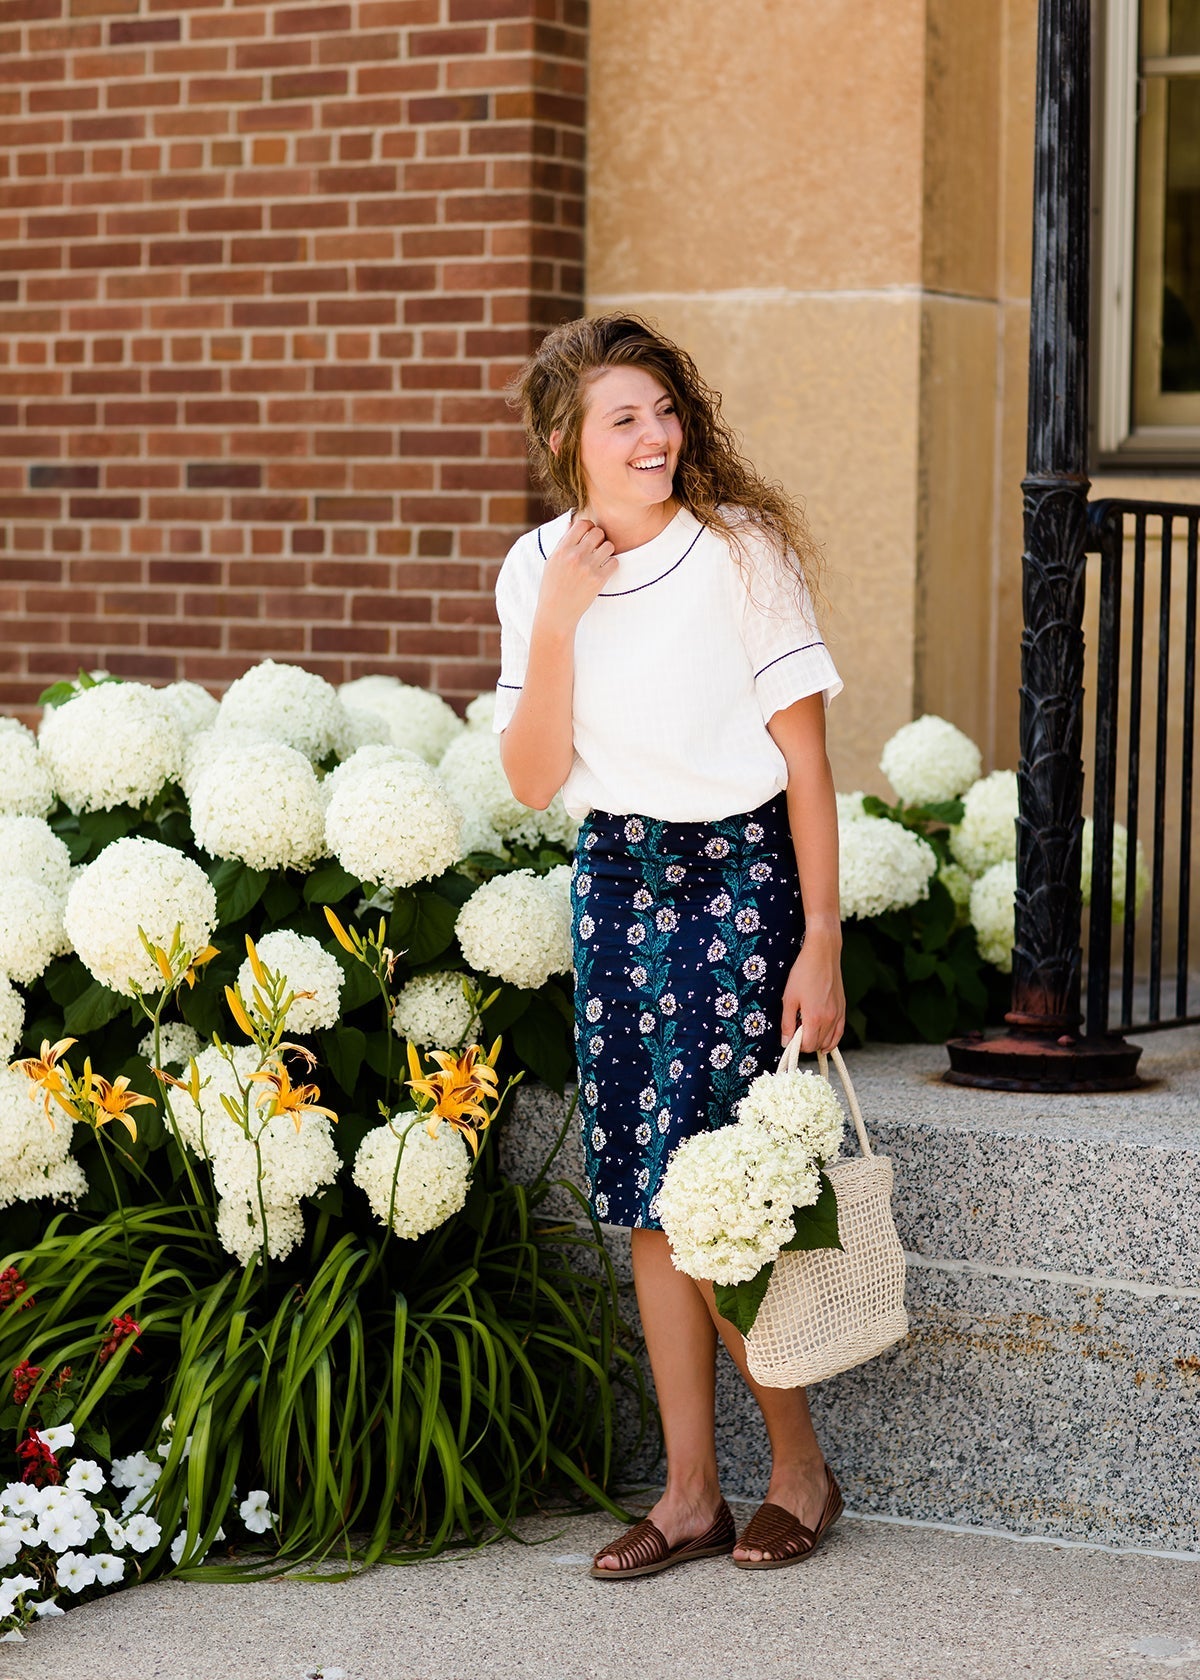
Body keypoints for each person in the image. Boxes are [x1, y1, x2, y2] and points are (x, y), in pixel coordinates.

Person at [493, 314, 846, 1577]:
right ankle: (691, 1491)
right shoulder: (538, 565)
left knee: (727, 1196)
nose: (656, 437)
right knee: (648, 1198)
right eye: (623, 419)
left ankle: (798, 1468)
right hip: (614, 886)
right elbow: (535, 781)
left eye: (664, 410)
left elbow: (807, 765)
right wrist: (557, 620)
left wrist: (821, 944)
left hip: (740, 881)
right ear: (564, 443)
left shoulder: (740, 554)